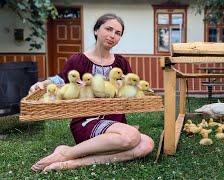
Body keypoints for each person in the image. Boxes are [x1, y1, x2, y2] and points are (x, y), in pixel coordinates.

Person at [30, 13, 154, 172]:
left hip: (116, 125)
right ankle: (68, 153)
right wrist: (43, 83)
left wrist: (141, 89)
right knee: (132, 137)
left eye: (118, 33)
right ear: (96, 30)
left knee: (147, 144)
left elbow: (132, 85)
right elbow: (61, 79)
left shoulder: (121, 62)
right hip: (86, 122)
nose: (112, 36)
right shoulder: (78, 60)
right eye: (108, 29)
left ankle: (72, 162)